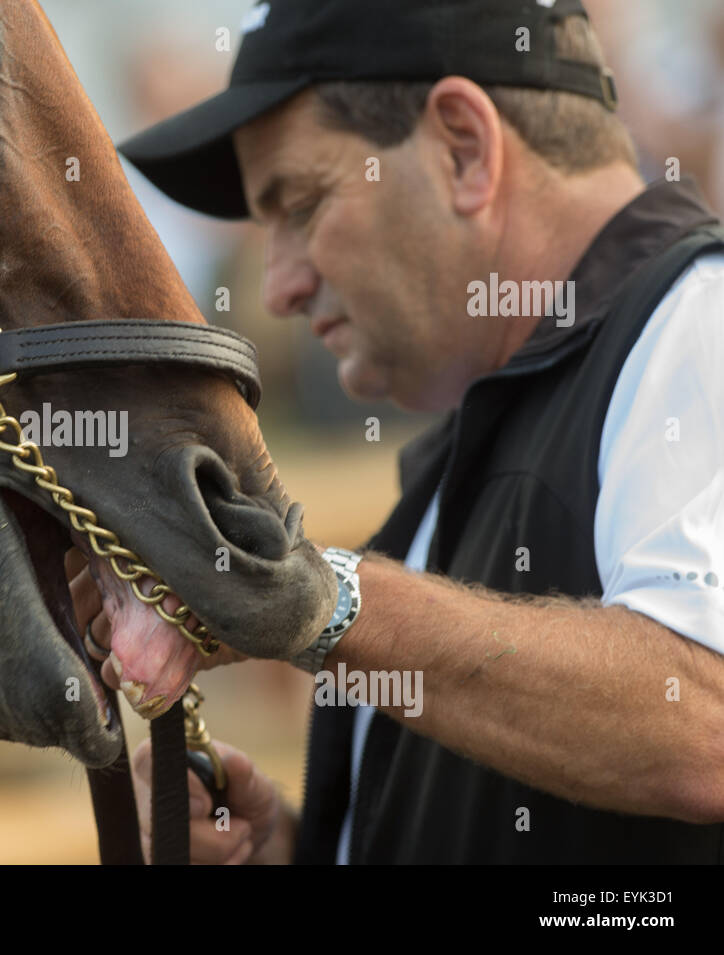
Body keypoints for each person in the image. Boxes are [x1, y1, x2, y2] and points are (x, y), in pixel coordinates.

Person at [71, 0, 724, 863]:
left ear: (463, 147)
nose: (281, 287)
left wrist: (305, 596)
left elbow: (704, 720)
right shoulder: (487, 431)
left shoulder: (698, 323)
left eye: (300, 204)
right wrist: (281, 850)